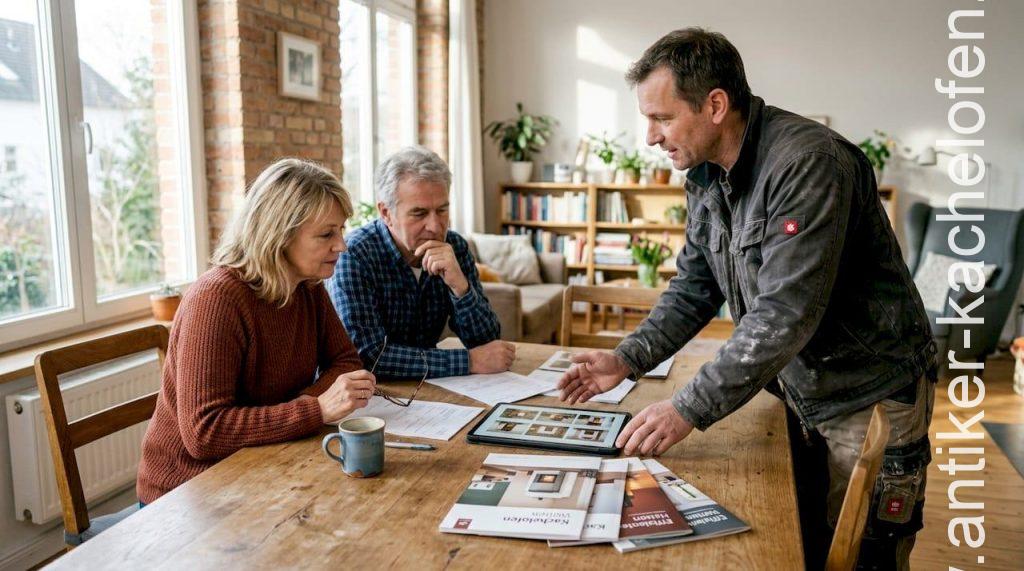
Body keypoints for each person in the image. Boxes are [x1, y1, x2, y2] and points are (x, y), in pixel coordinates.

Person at [557, 28, 936, 569]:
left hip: (865, 392)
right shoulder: (705, 174)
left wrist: (686, 407)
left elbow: (783, 314)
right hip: (793, 392)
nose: (649, 137)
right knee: (798, 544)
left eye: (661, 118)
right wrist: (627, 358)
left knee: (861, 557)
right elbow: (694, 286)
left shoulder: (808, 162)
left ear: (715, 105)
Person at [137, 158, 375, 504]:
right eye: (326, 234)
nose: (342, 245)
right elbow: (204, 433)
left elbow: (345, 362)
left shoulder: (307, 287)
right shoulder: (216, 299)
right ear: (279, 235)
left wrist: (295, 413)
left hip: (265, 463)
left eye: (341, 230)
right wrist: (314, 411)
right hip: (188, 493)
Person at [329, 145, 513, 380]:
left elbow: (488, 345)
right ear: (386, 213)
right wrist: (469, 361)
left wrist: (460, 287)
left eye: (442, 210)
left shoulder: (454, 247)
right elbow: (367, 356)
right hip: (373, 398)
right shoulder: (354, 255)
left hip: (434, 390)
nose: (435, 226)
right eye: (419, 213)